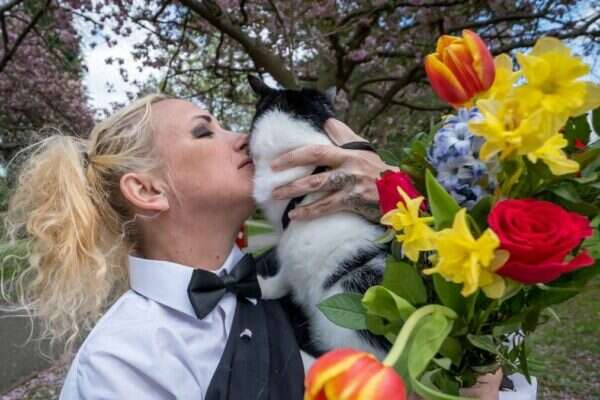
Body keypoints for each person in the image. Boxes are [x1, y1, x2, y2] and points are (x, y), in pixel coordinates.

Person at [4, 95, 501, 399]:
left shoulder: (308, 272)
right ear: (148, 190)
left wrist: (395, 195)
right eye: (205, 131)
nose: (244, 137)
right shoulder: (124, 362)